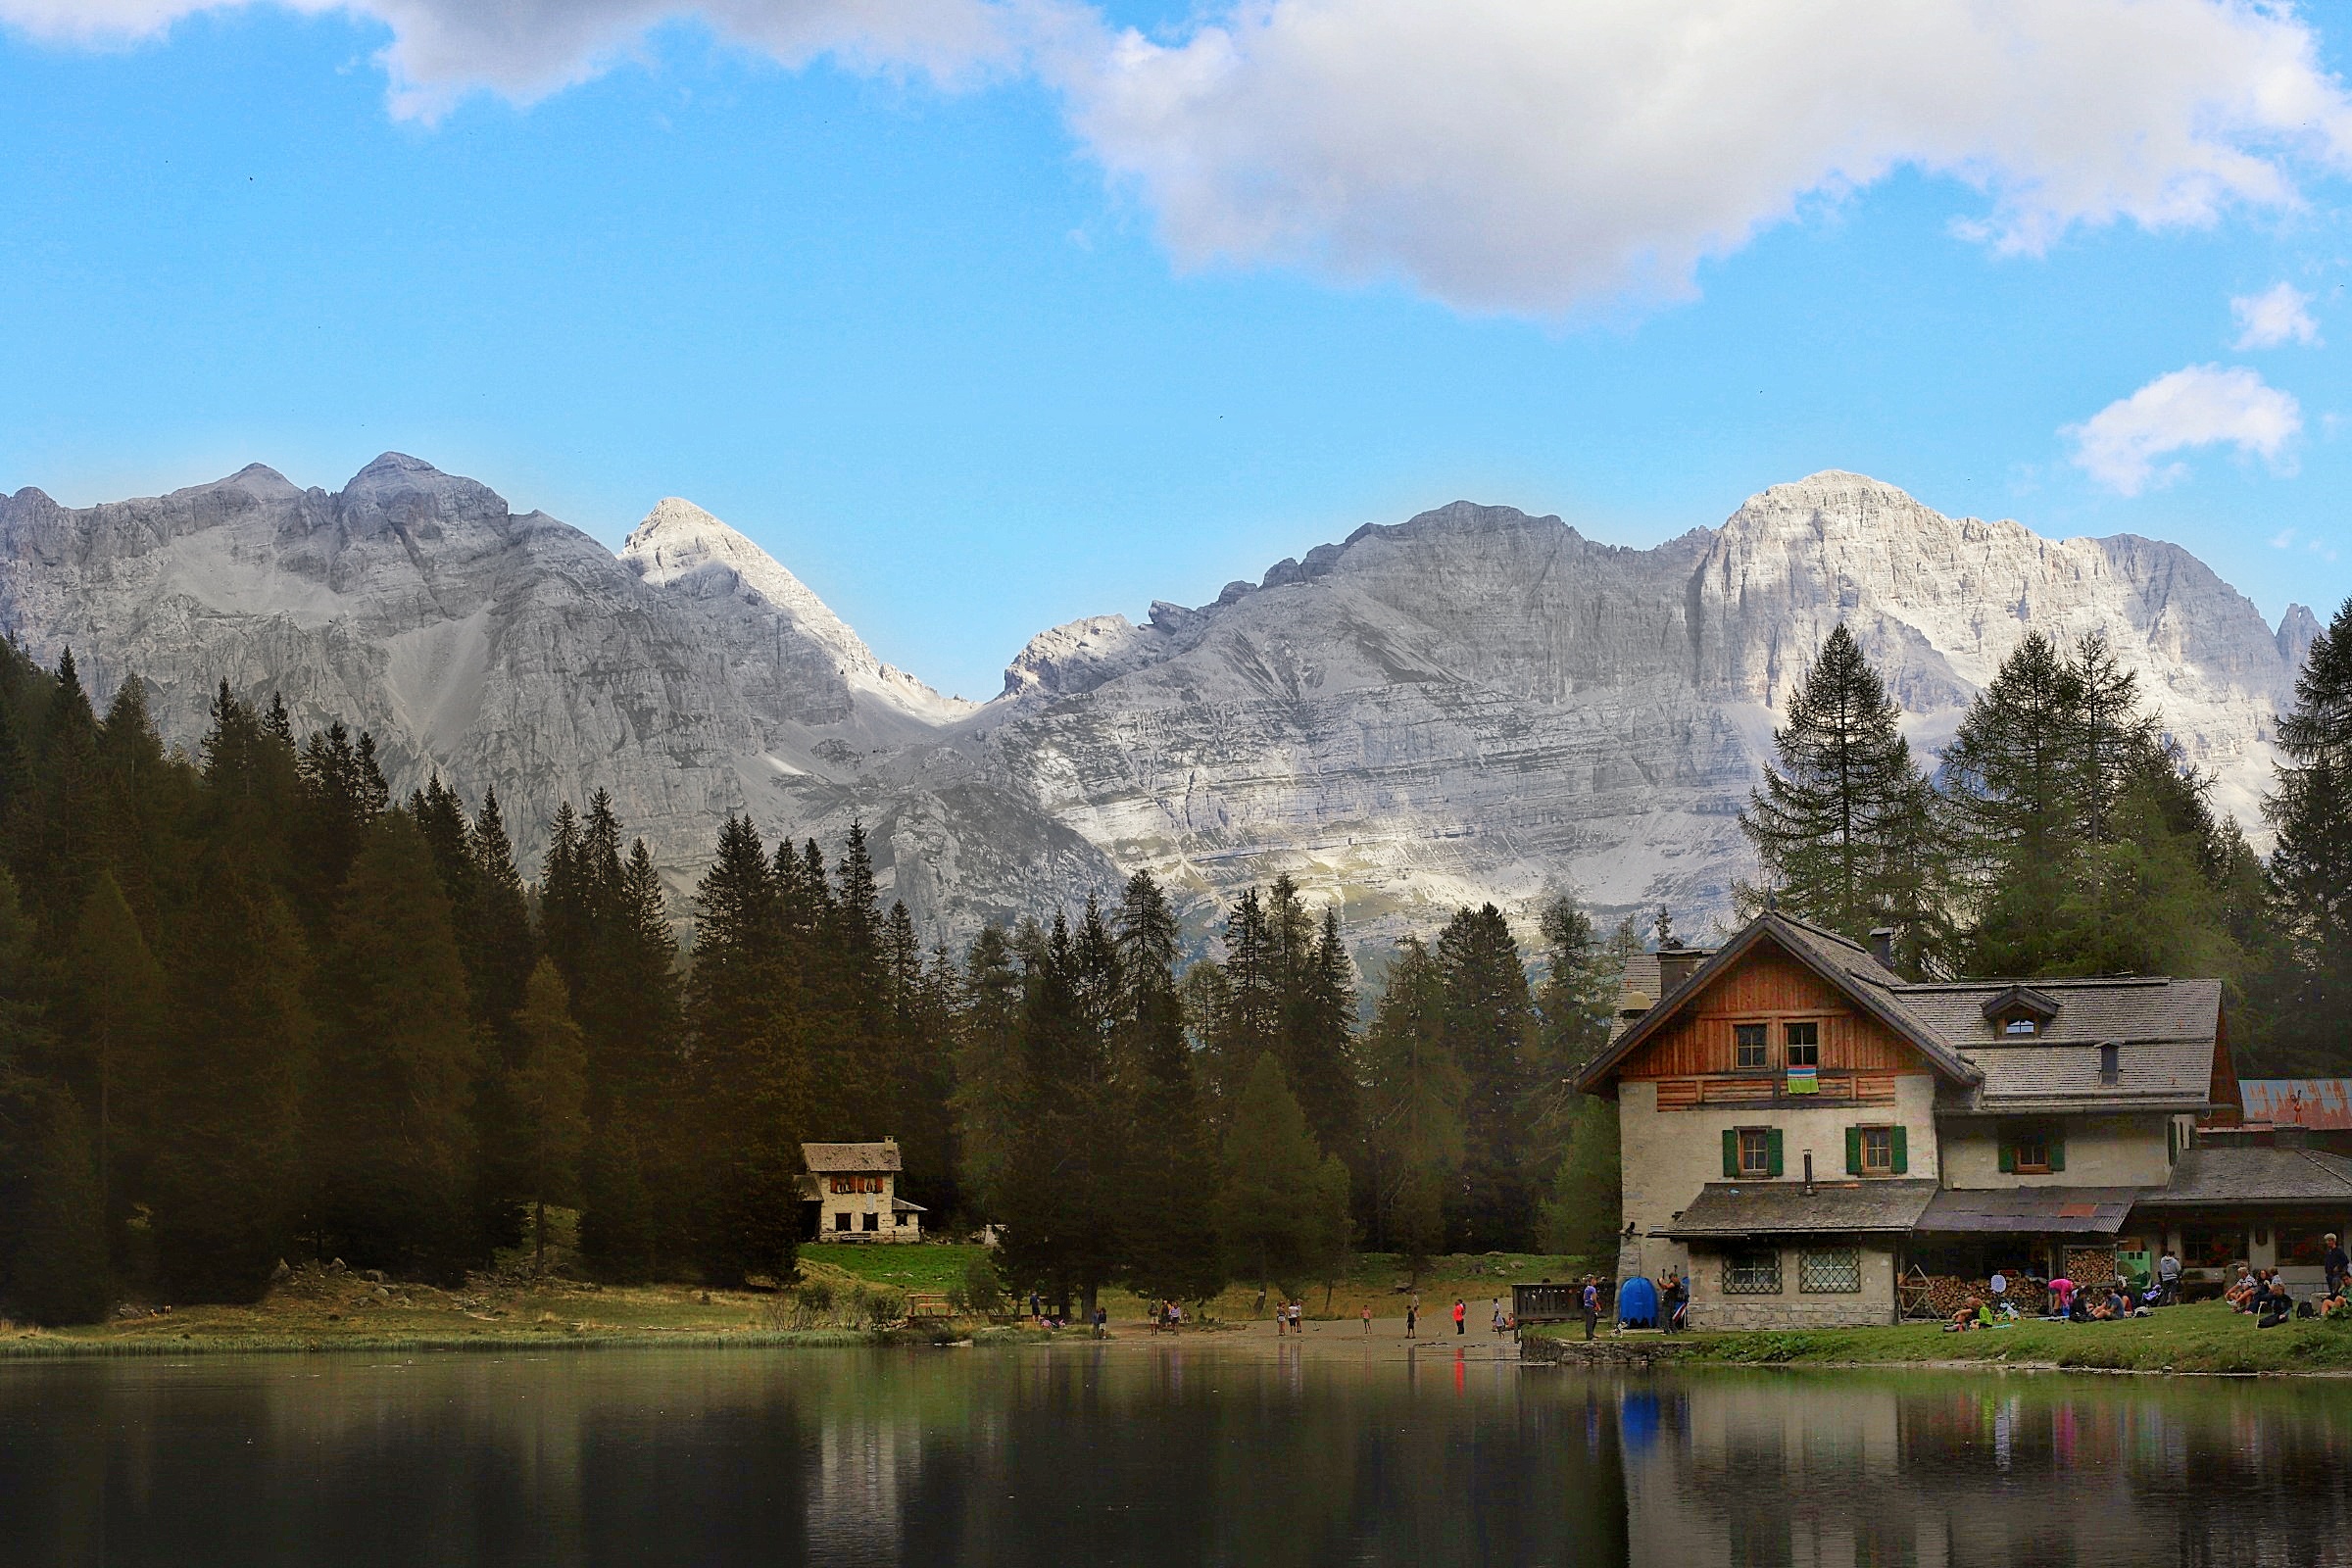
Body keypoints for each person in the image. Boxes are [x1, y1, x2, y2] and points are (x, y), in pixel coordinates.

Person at [2328, 1234, 2350, 1299]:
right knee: (2332, 1292)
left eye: (2329, 1241)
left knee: (2336, 1292)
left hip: (2336, 1276)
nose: (2328, 1243)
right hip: (2330, 1275)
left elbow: (2346, 1260)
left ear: (2333, 1241)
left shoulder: (2339, 1251)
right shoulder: (2329, 1252)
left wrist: (2338, 1267)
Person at [1581, 1277, 1600, 1342]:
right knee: (1590, 1322)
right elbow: (1594, 1298)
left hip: (1586, 1306)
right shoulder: (1592, 1288)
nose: (1596, 1282)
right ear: (1592, 1281)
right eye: (1595, 1280)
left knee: (1593, 1320)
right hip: (1590, 1307)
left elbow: (1584, 1297)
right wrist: (1597, 1305)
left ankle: (1591, 1333)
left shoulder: (1587, 1288)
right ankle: (1590, 1336)